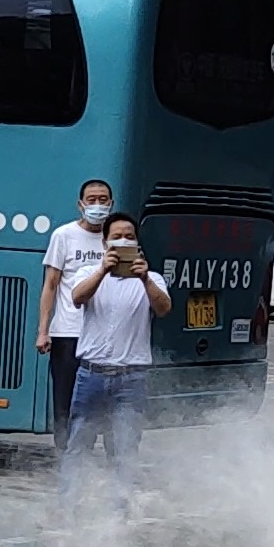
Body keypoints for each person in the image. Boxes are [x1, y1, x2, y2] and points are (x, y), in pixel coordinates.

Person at [59, 211, 170, 517]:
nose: (123, 241)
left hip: (130, 379)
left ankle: (118, 512)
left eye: (129, 236)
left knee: (124, 449)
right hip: (91, 375)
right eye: (117, 236)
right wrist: (102, 271)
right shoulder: (87, 273)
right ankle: (68, 507)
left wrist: (144, 277)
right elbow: (77, 298)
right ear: (105, 241)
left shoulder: (153, 278)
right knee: (78, 445)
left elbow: (163, 308)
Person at [35, 180, 114, 451]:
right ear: (80, 204)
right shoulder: (64, 236)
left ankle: (91, 454)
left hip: (104, 337)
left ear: (112, 204)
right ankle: (66, 456)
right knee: (65, 400)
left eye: (103, 200)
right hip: (68, 332)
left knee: (99, 402)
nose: (97, 205)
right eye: (91, 200)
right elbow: (51, 285)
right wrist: (43, 330)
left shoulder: (116, 239)